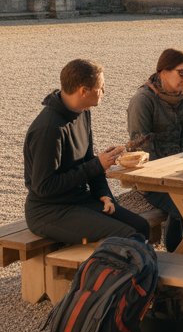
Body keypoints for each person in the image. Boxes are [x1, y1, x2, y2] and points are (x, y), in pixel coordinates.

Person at [24, 58, 150, 244]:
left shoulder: (82, 111)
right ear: (84, 91)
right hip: (49, 211)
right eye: (102, 87)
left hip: (80, 201)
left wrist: (104, 195)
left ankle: (138, 269)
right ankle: (117, 272)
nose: (104, 91)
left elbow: (90, 160)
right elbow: (44, 187)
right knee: (127, 237)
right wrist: (97, 164)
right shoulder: (49, 129)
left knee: (141, 227)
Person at [127, 48, 183, 252]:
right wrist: (172, 175)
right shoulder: (143, 100)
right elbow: (142, 148)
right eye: (182, 72)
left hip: (181, 169)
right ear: (163, 72)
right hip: (150, 177)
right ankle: (180, 252)